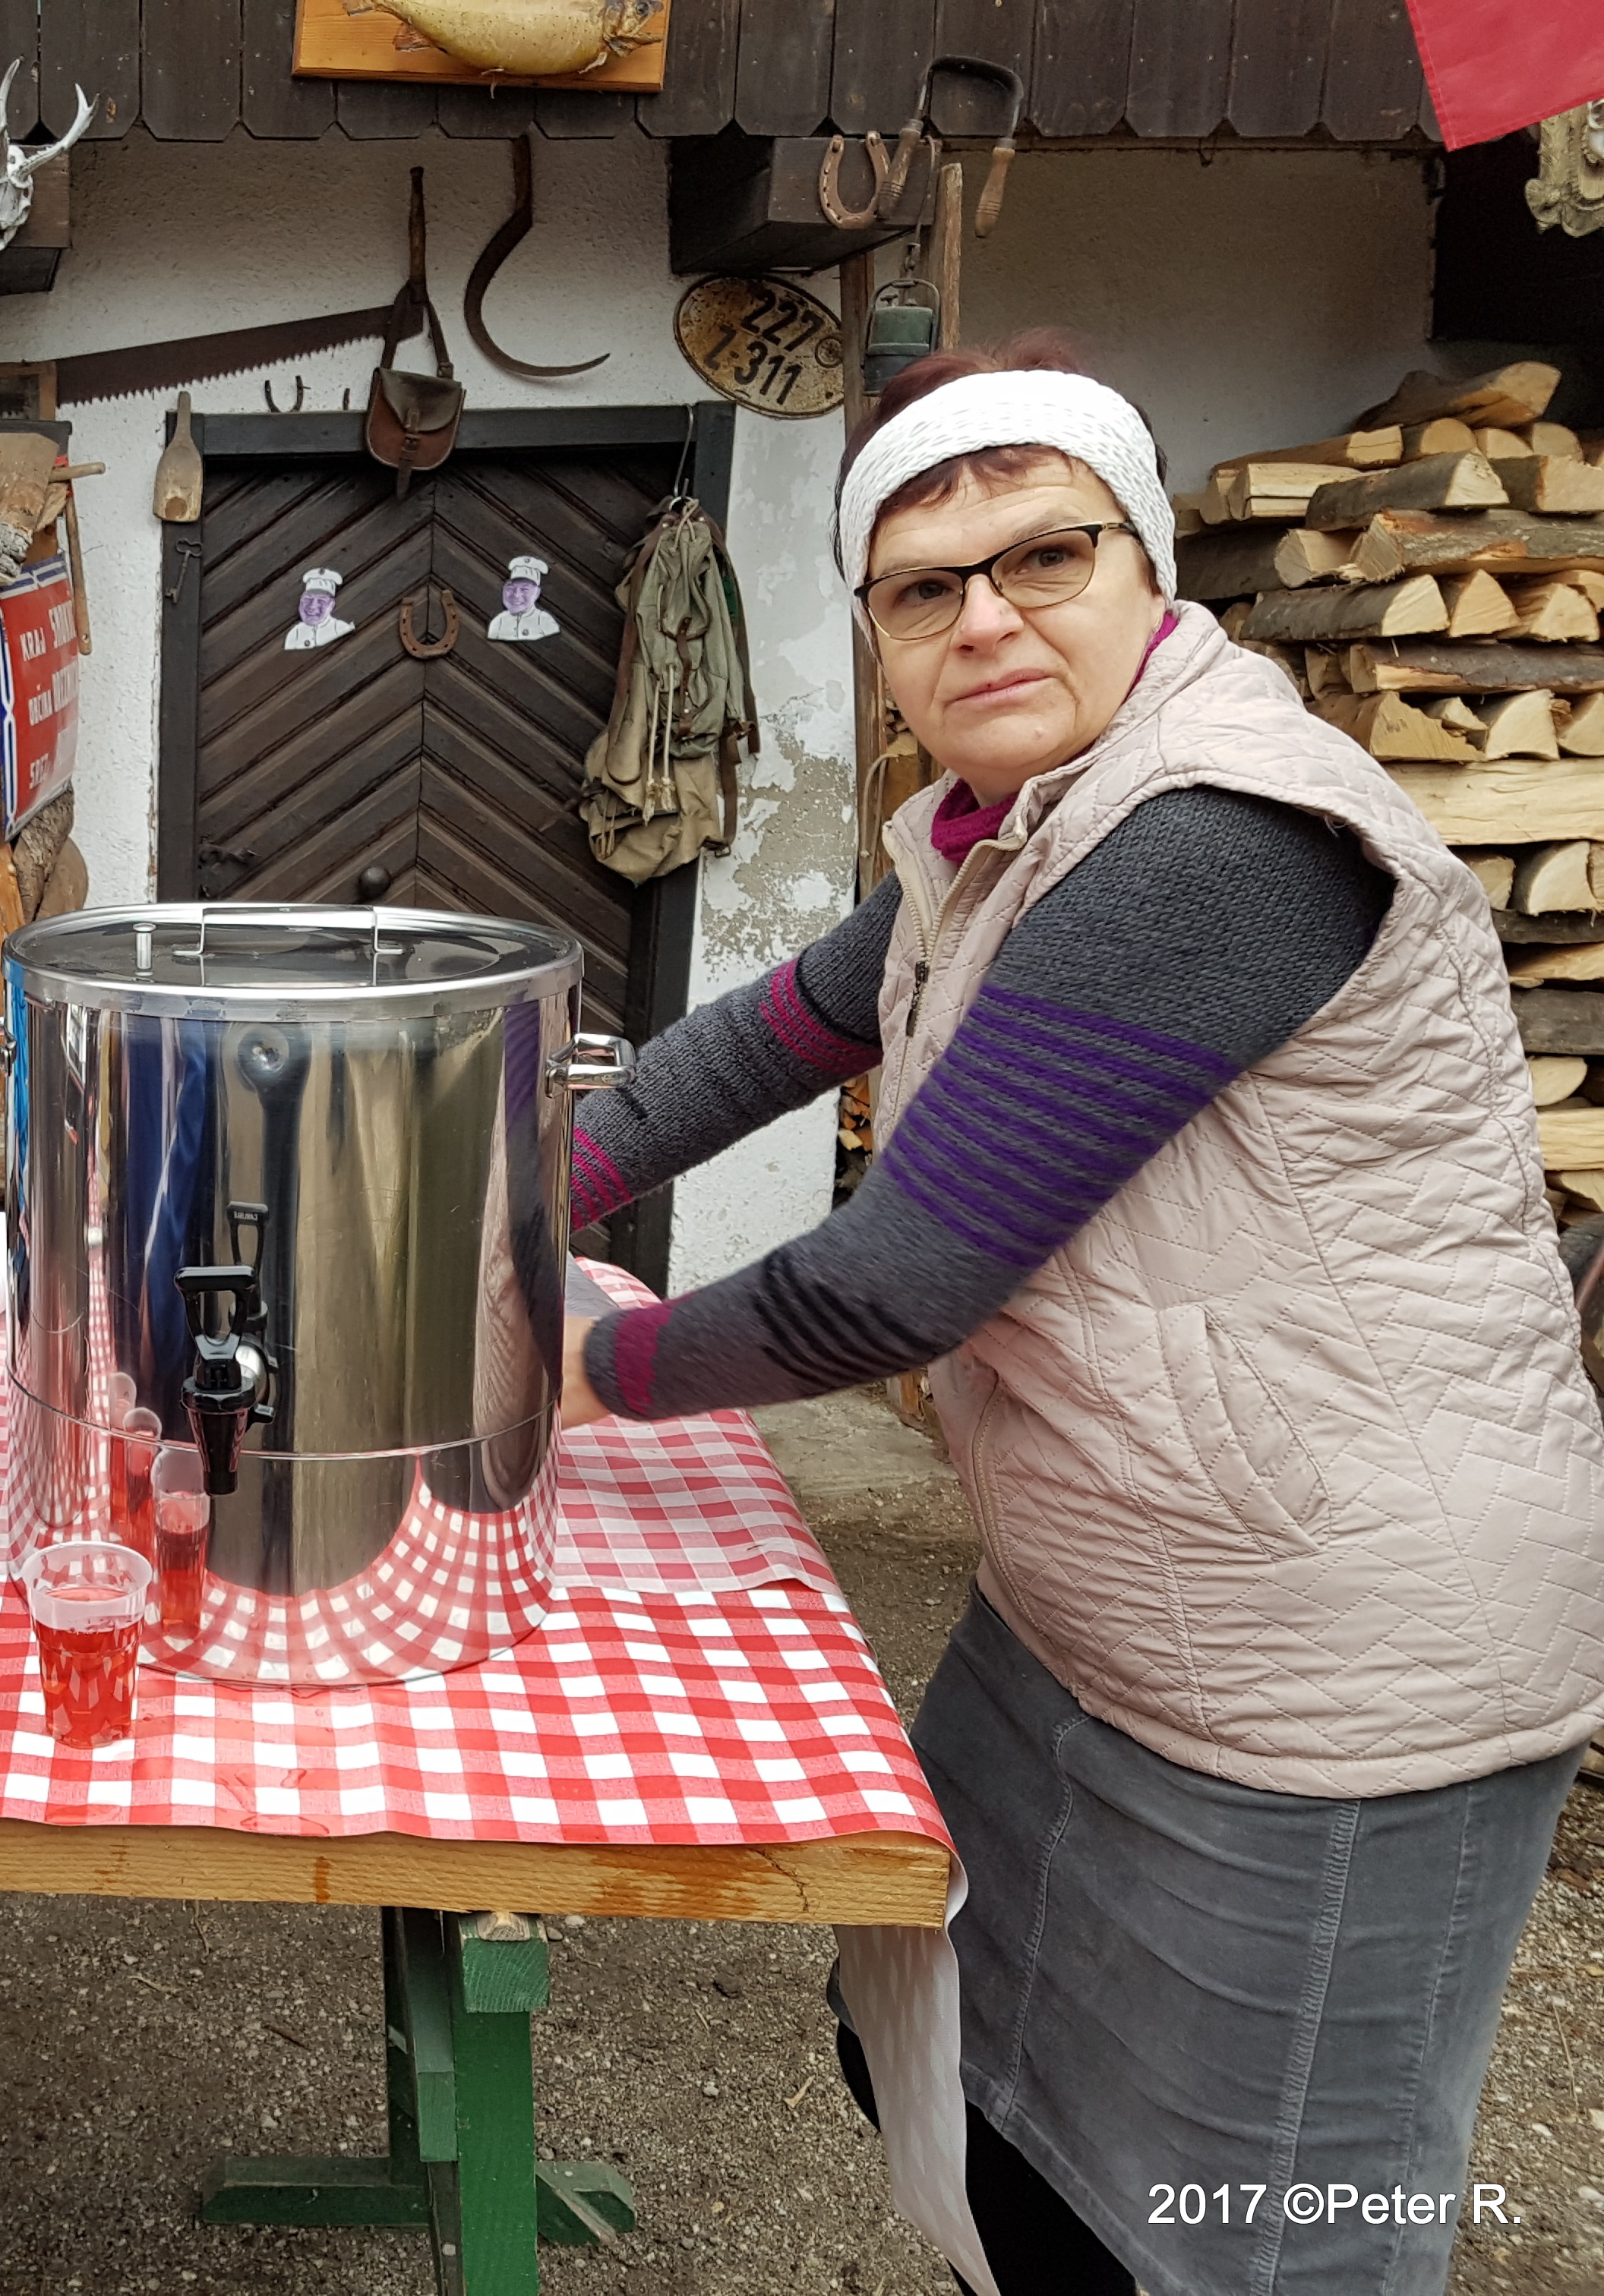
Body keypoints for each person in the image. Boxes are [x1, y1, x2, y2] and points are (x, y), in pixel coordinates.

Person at [560, 337, 1604, 2296]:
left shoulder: (1216, 839)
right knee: (978, 2098)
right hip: (1115, 1590)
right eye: (923, 589)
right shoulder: (1002, 835)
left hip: (1334, 1653)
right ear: (877, 638)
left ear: (1151, 573)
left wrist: (574, 1364)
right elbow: (762, 1040)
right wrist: (501, 1198)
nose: (986, 619)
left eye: (1045, 557)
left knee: (1254, 2233)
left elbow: (897, 1279)